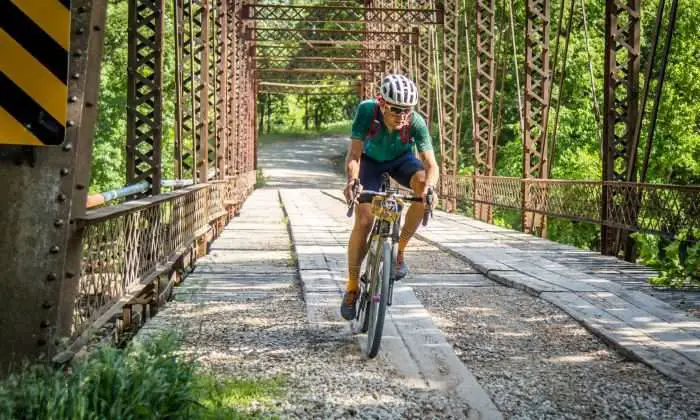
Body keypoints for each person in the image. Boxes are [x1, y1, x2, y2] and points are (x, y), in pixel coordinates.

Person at [341, 74, 439, 321]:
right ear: (382, 104)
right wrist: (353, 181)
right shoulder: (367, 112)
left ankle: (399, 252)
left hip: (400, 161)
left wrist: (430, 188)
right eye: (396, 110)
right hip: (370, 162)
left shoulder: (415, 122)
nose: (402, 116)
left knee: (421, 186)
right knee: (364, 222)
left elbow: (432, 165)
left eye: (407, 110)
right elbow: (354, 154)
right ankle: (352, 287)